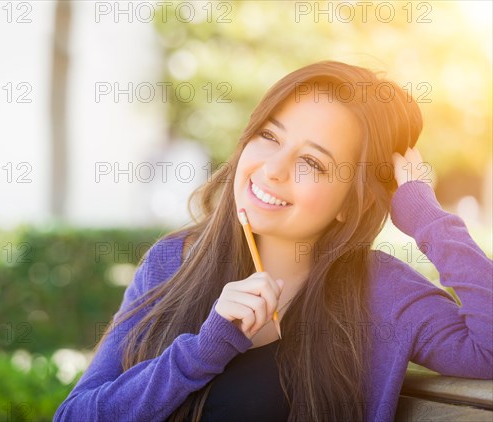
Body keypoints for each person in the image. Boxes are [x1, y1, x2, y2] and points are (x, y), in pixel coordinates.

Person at [54, 61, 493, 422]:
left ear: (350, 202)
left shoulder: (382, 293)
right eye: (269, 136)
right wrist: (203, 351)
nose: (273, 169)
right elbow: (74, 416)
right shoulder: (173, 261)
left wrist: (426, 218)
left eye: (311, 162)